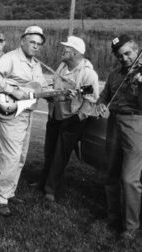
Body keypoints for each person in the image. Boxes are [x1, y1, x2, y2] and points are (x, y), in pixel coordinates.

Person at [0, 26, 48, 217]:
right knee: (10, 156)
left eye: (38, 44)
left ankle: (9, 191)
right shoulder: (10, 58)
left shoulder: (36, 64)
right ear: (23, 41)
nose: (35, 46)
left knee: (20, 157)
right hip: (10, 113)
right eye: (32, 42)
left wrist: (56, 93)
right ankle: (1, 197)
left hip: (27, 114)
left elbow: (41, 86)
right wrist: (12, 90)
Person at [33, 36, 99, 202]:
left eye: (66, 49)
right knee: (49, 151)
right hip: (55, 115)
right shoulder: (62, 66)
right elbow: (55, 88)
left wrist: (77, 118)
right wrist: (48, 95)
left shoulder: (88, 74)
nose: (62, 50)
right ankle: (42, 182)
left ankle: (51, 189)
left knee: (60, 155)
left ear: (75, 53)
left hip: (72, 119)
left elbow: (90, 99)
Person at [96, 34, 142, 240]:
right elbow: (105, 95)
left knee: (130, 178)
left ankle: (131, 226)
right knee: (110, 173)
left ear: (136, 49)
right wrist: (100, 103)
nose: (124, 59)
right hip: (114, 123)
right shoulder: (115, 74)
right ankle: (113, 216)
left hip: (136, 124)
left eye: (128, 53)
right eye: (119, 56)